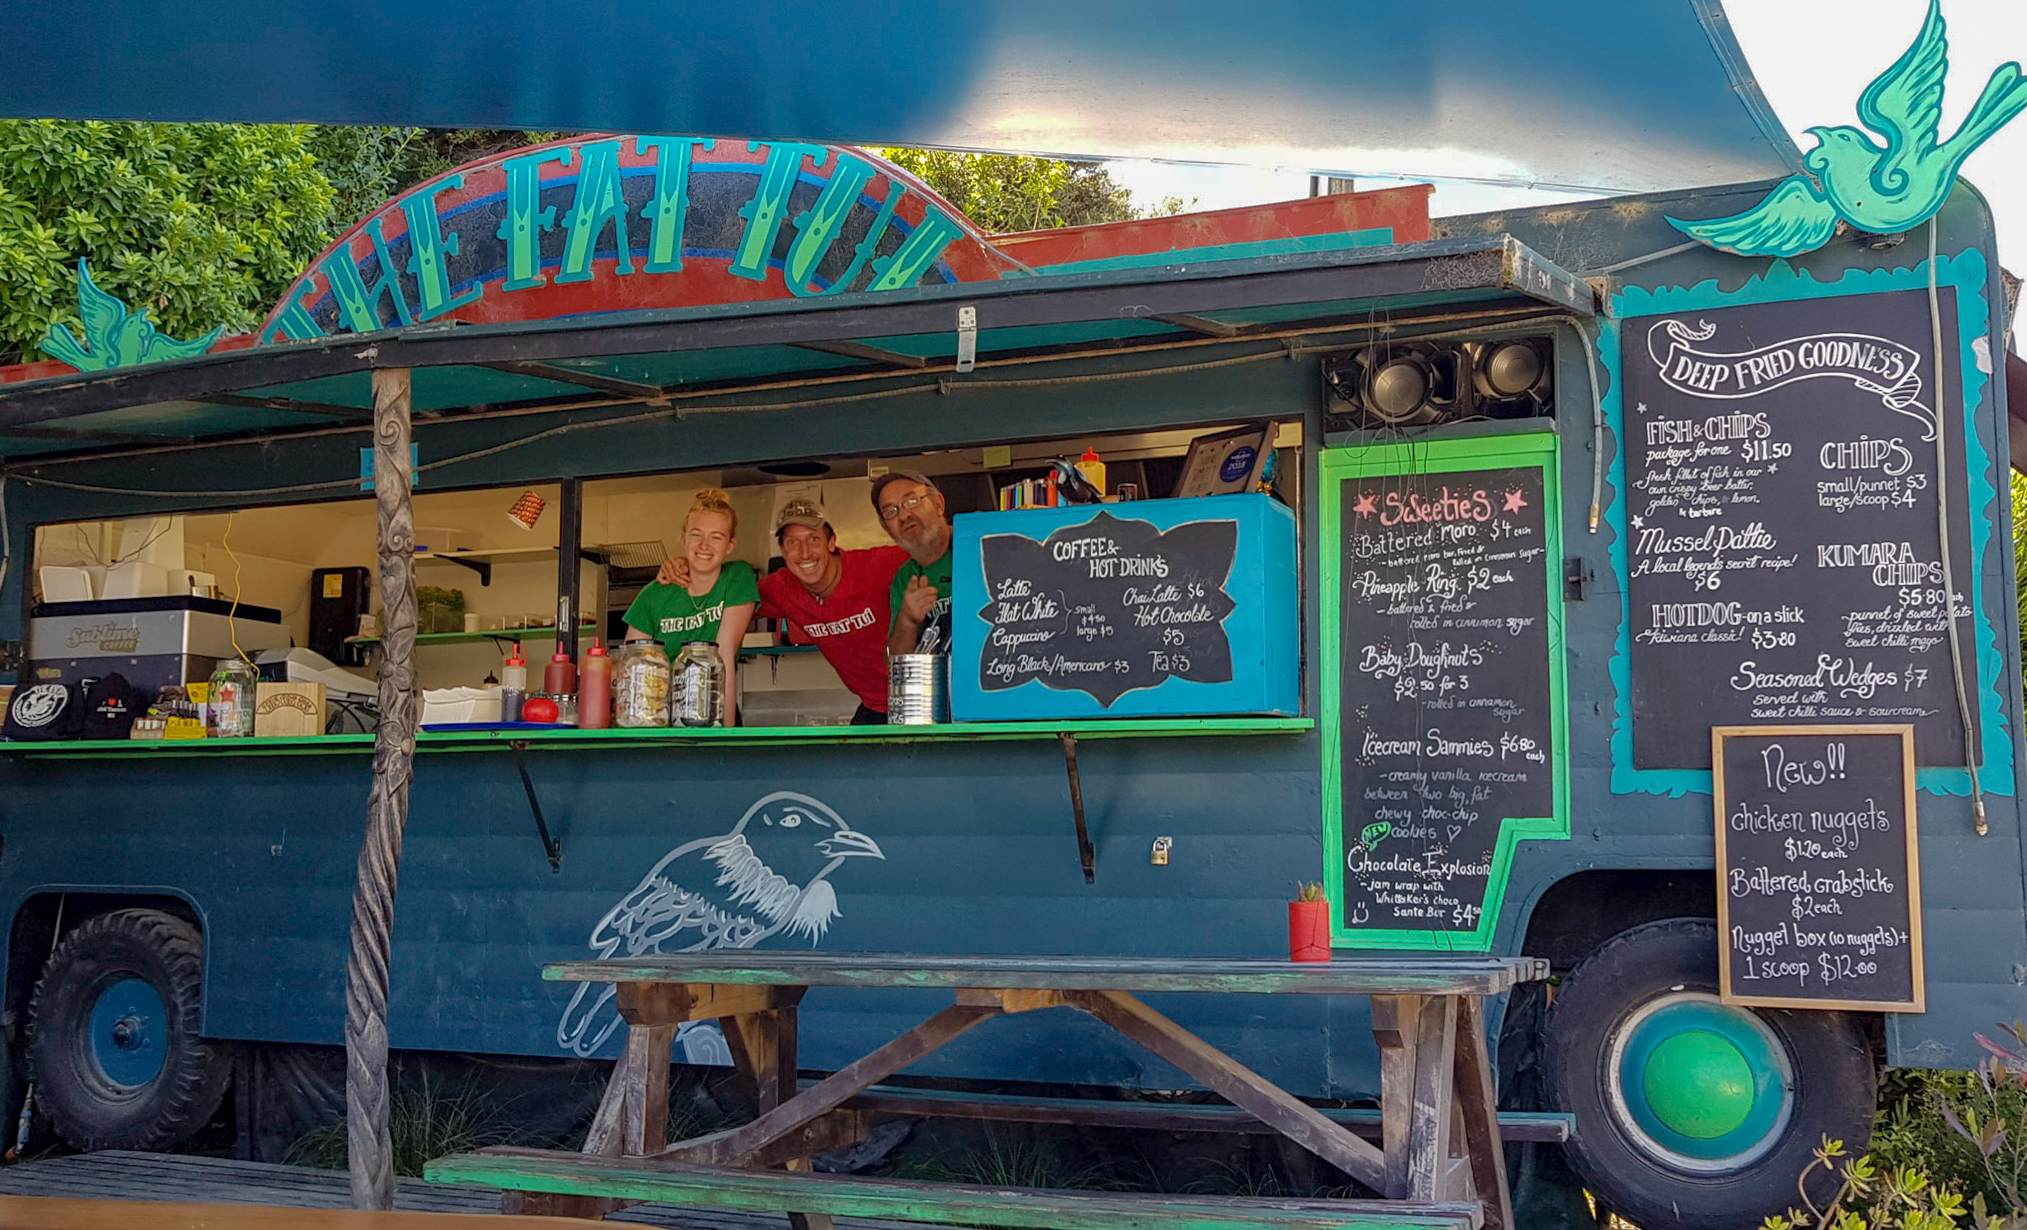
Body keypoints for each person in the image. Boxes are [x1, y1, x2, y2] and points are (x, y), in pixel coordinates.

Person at [659, 499, 908, 724]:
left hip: (923, 697)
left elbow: (938, 545)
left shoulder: (879, 564)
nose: (804, 552)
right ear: (782, 550)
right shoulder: (781, 588)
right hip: (874, 706)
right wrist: (686, 565)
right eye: (792, 542)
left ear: (831, 542)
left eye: (813, 539)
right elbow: (725, 591)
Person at [624, 488, 758, 726]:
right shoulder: (653, 594)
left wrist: (725, 739)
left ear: (730, 545)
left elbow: (724, 653)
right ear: (684, 539)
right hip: (656, 715)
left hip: (713, 708)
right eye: (697, 535)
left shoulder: (737, 578)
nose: (705, 545)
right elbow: (633, 666)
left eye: (716, 537)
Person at [872, 470, 953, 656]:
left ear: (939, 504)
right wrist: (907, 620)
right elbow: (895, 661)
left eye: (911, 501)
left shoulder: (981, 541)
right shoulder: (905, 579)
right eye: (891, 512)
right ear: (886, 529)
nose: (904, 515)